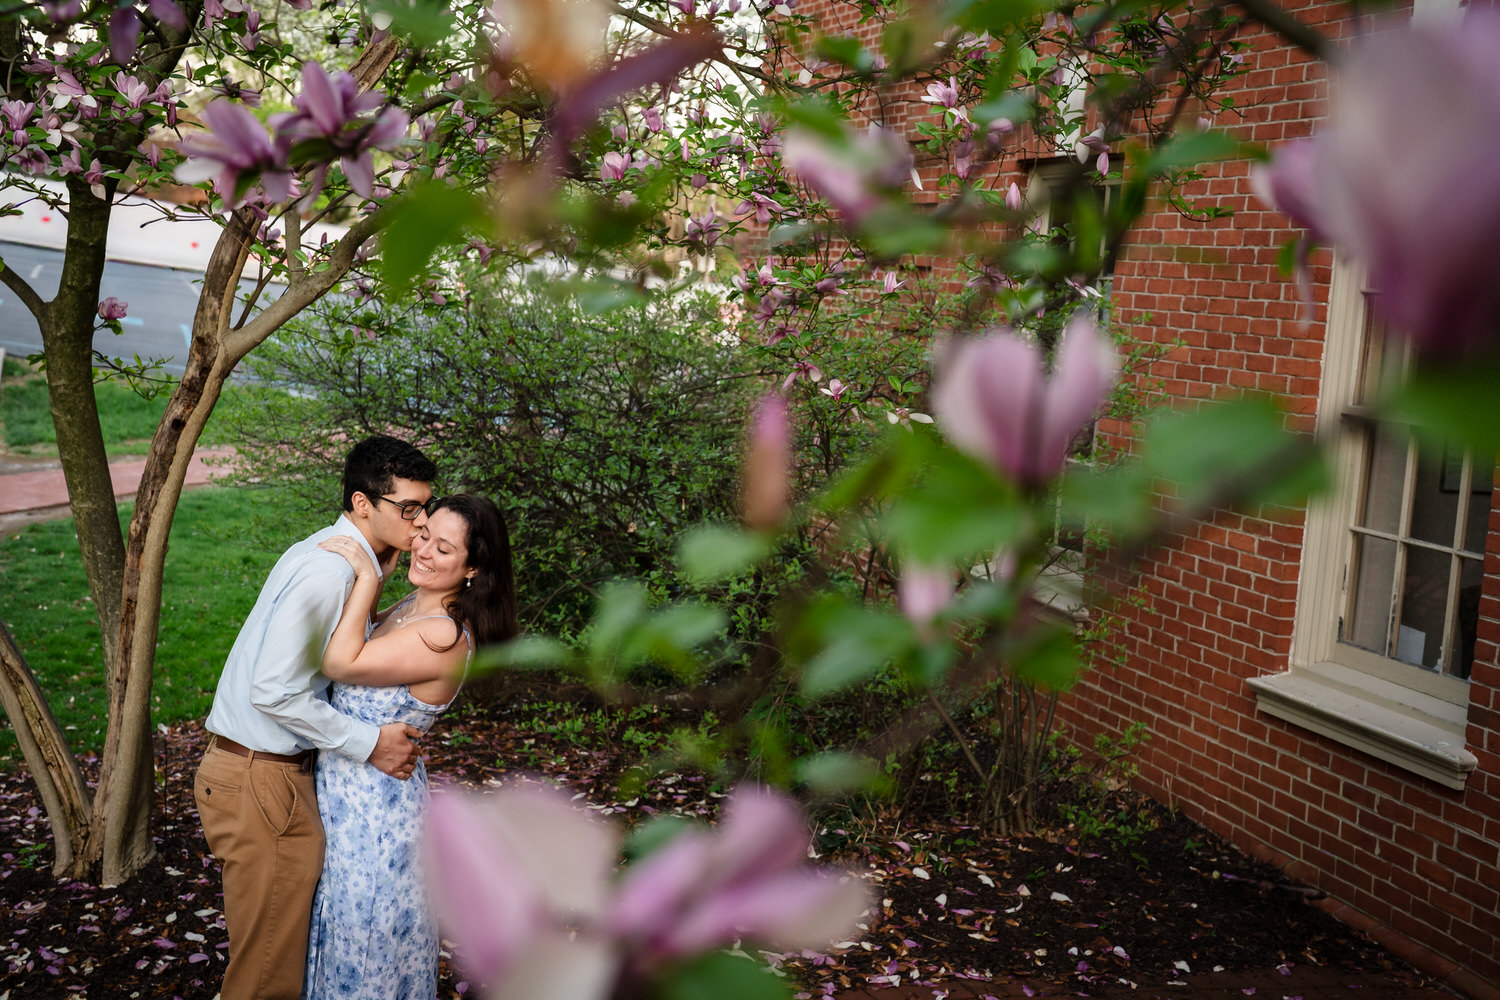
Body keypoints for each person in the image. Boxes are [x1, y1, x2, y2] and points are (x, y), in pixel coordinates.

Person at [194, 435, 438, 1000]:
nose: (421, 522)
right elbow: (274, 691)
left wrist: (373, 583)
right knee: (266, 978)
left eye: (425, 506)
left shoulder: (331, 553)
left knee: (275, 962)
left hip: (265, 774)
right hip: (261, 779)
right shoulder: (330, 572)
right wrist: (368, 742)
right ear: (362, 504)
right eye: (408, 508)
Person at [304, 493, 519, 1000]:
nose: (424, 550)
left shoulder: (442, 637)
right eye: (423, 534)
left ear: (473, 568)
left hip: (376, 819)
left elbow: (340, 663)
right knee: (340, 941)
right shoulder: (410, 609)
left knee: (364, 955)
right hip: (351, 801)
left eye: (444, 548)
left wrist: (366, 574)